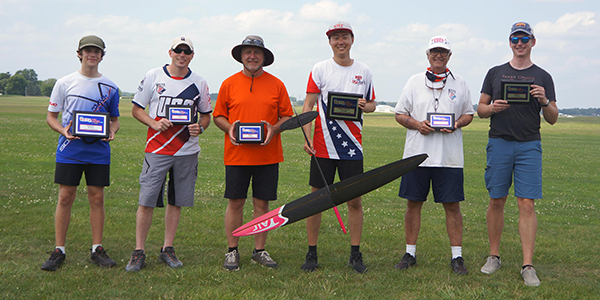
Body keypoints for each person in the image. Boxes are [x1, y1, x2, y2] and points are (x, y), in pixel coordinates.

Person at [477, 22, 558, 287]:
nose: (519, 42)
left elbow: (553, 118)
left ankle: (527, 265)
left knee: (527, 203)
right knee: (496, 200)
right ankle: (494, 256)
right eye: (515, 38)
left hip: (529, 144)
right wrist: (493, 108)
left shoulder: (543, 76)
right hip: (499, 142)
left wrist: (545, 101)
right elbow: (480, 109)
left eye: (524, 38)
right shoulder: (495, 72)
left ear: (533, 42)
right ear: (509, 41)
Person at [125, 36, 212, 272]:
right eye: (178, 50)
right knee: (147, 200)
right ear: (170, 52)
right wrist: (153, 124)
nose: (182, 55)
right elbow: (136, 109)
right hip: (157, 149)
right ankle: (138, 251)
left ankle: (167, 248)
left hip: (187, 150)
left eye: (187, 51)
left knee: (177, 201)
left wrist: (200, 127)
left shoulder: (200, 83)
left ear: (192, 55)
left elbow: (206, 115)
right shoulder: (153, 76)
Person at [393, 35, 474, 275]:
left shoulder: (460, 83)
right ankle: (410, 253)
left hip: (449, 158)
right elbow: (399, 114)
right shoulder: (414, 81)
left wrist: (457, 123)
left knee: (452, 206)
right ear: (427, 55)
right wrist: (417, 124)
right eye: (434, 51)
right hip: (417, 156)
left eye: (443, 52)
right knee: (413, 203)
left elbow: (469, 114)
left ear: (450, 56)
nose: (438, 55)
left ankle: (457, 257)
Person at [300, 21, 376, 274]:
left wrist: (367, 106)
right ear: (330, 42)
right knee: (316, 200)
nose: (340, 42)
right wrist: (308, 139)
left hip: (352, 147)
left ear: (352, 40)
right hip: (322, 147)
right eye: (335, 38)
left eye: (344, 37)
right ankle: (312, 253)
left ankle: (355, 254)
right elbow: (308, 106)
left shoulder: (364, 70)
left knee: (354, 200)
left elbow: (372, 105)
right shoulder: (320, 68)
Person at [213, 35, 293, 271]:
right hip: (237, 155)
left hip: (267, 156)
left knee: (262, 204)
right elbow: (218, 116)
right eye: (248, 52)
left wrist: (274, 128)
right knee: (235, 203)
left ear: (264, 58)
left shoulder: (277, 84)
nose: (252, 56)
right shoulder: (229, 83)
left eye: (257, 53)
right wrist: (230, 129)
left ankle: (259, 250)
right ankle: (232, 251)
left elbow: (287, 115)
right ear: (241, 56)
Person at [43, 35, 120, 271]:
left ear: (102, 56)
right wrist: (64, 131)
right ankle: (59, 250)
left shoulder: (111, 87)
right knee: (65, 197)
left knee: (97, 198)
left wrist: (111, 131)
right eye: (87, 51)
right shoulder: (64, 83)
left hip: (98, 152)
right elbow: (51, 117)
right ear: (79, 53)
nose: (92, 55)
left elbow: (114, 120)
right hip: (69, 150)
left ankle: (97, 248)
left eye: (96, 51)